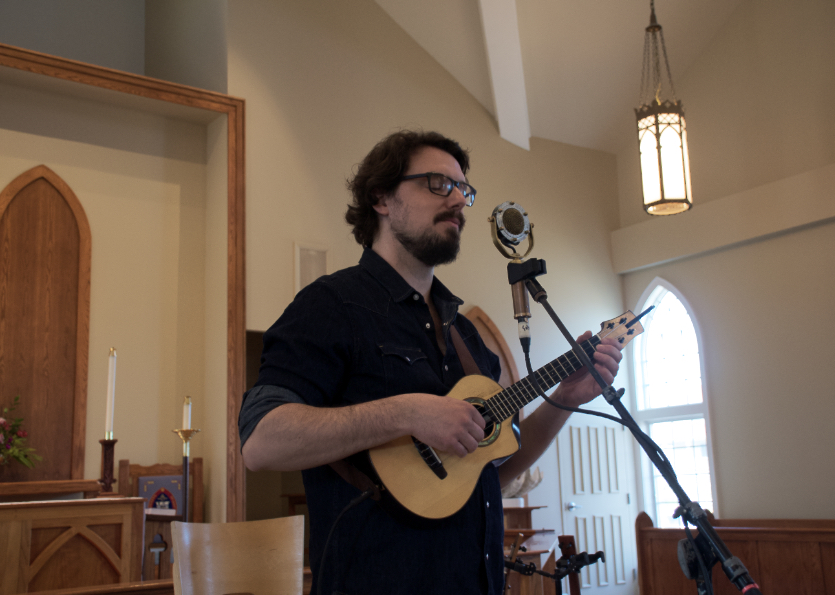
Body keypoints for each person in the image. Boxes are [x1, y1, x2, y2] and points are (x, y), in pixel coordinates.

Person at [239, 130, 623, 595]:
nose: (459, 200)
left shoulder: (466, 337)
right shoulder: (331, 306)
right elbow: (261, 442)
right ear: (382, 198)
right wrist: (408, 413)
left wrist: (563, 400)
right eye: (438, 183)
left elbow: (489, 472)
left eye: (464, 189)